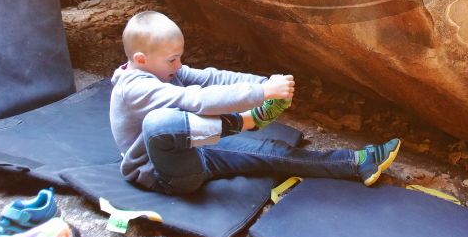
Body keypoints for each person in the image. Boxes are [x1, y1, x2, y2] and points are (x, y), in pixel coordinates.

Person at [109, 10, 401, 195]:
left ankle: (357, 162)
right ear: (141, 61)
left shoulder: (168, 69)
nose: (180, 64)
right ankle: (246, 122)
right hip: (164, 174)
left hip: (194, 144)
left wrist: (262, 83)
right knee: (160, 123)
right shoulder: (134, 88)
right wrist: (258, 99)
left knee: (269, 152)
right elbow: (194, 100)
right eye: (173, 59)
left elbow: (211, 78)